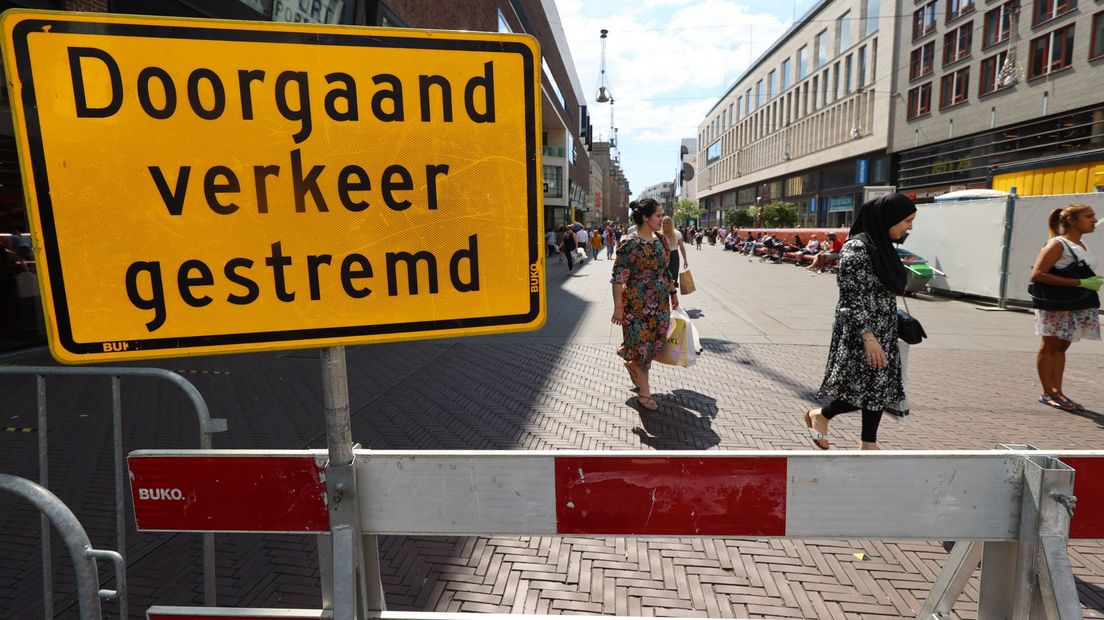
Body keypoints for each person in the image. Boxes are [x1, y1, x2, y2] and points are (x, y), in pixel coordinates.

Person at [802, 193, 917, 450]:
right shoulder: (857, 248)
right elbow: (850, 299)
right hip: (861, 332)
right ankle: (822, 415)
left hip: (884, 330)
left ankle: (868, 443)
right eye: (907, 220)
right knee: (863, 389)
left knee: (879, 388)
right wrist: (869, 338)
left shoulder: (884, 246)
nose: (910, 226)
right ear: (889, 218)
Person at [1030, 204, 1101, 412]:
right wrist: (1080, 283)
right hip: (1056, 304)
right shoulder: (1057, 244)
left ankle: (1057, 391)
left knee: (1062, 347)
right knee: (1050, 345)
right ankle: (1048, 393)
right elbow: (1037, 274)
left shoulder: (1080, 244)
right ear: (1071, 220)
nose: (1094, 220)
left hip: (1074, 304)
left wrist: (1090, 281)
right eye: (1089, 216)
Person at [611, 198, 679, 411]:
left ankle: (629, 356)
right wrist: (619, 308)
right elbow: (618, 278)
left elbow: (665, 271)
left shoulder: (661, 240)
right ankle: (644, 393)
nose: (661, 219)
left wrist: (674, 294)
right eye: (658, 215)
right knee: (642, 348)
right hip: (636, 306)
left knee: (655, 344)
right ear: (645, 217)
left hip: (660, 305)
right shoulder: (629, 243)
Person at [661, 216, 688, 288]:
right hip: (662, 255)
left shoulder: (677, 233)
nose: (664, 225)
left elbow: (682, 247)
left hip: (674, 256)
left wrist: (685, 260)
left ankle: (672, 295)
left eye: (666, 223)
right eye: (663, 223)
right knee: (662, 277)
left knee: (673, 277)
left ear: (670, 224)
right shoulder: (659, 234)